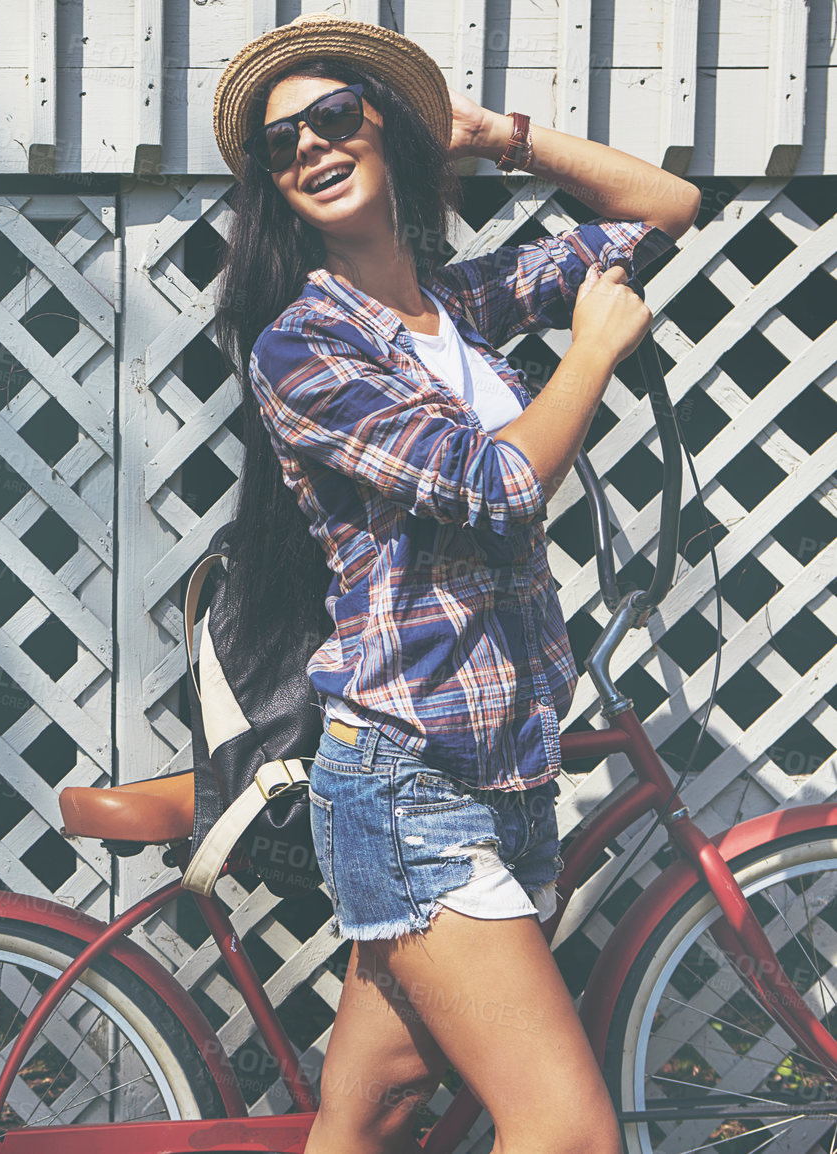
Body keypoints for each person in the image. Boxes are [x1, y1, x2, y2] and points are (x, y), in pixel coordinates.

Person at [209, 14, 701, 1154]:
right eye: (281, 144)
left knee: (371, 1113)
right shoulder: (303, 347)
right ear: (272, 187)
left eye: (336, 116)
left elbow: (667, 208)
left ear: (388, 130)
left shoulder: (460, 307)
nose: (310, 147)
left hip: (506, 773)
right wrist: (589, 352)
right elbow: (494, 484)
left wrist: (494, 137)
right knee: (565, 1132)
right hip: (410, 781)